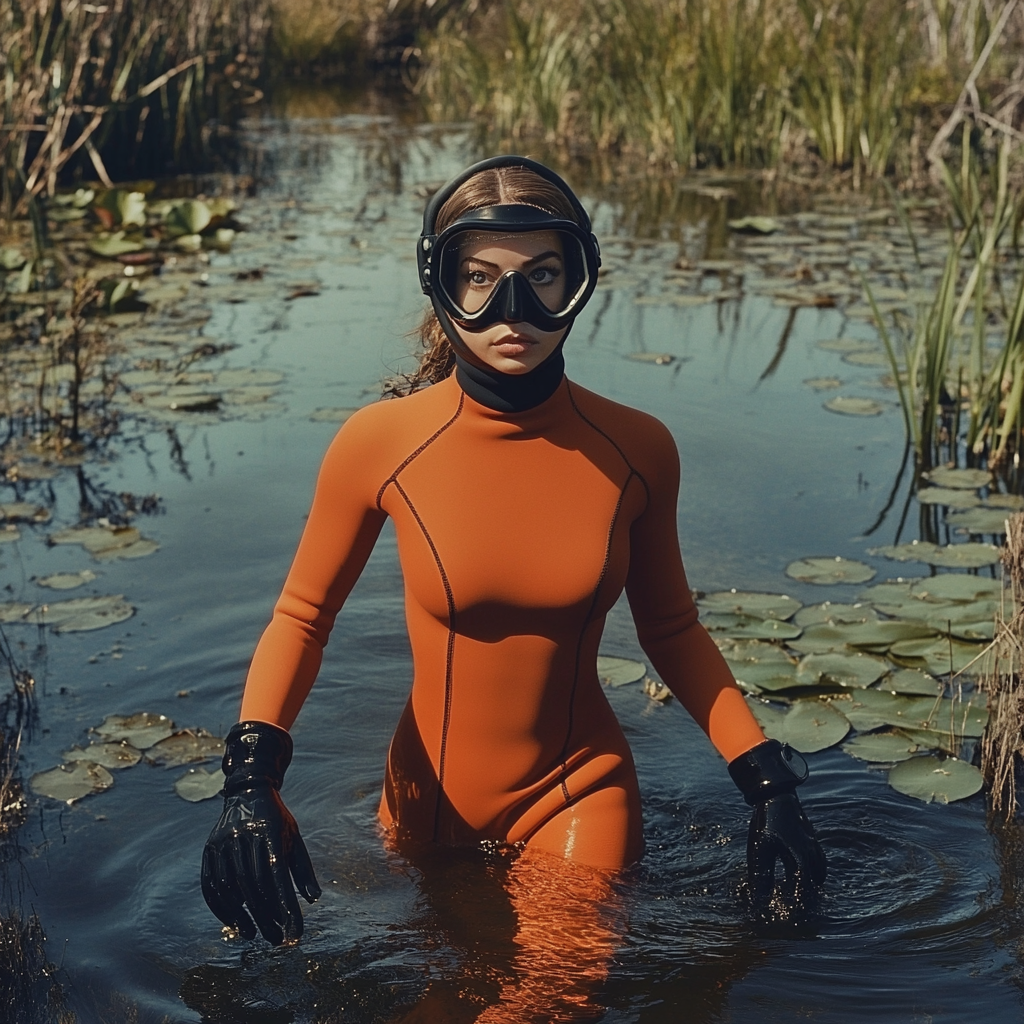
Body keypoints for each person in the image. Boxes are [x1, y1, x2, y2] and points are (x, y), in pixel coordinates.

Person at [200, 155, 827, 949]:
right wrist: (251, 781)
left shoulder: (637, 449)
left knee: (552, 1000)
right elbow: (302, 617)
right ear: (440, 283)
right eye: (480, 277)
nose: (513, 309)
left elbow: (672, 631)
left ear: (582, 279)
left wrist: (769, 785)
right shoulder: (379, 444)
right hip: (422, 801)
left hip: (579, 792)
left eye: (543, 276)